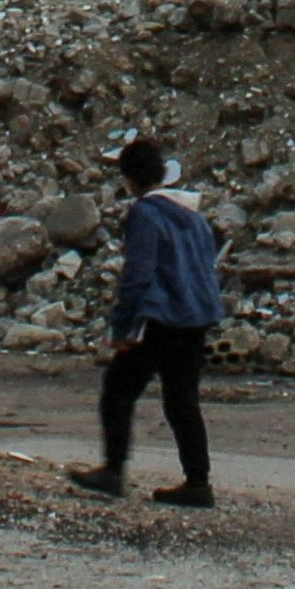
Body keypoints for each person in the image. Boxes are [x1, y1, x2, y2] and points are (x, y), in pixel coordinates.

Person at [72, 134, 223, 508]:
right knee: (182, 401)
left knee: (119, 389)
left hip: (161, 317)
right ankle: (198, 481)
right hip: (197, 316)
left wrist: (121, 327)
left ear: (129, 179)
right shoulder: (194, 214)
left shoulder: (145, 214)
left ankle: (114, 470)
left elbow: (139, 274)